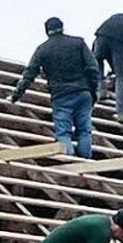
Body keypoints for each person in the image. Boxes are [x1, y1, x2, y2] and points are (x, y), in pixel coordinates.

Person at [7, 17, 100, 158]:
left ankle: (68, 159)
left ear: (47, 31)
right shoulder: (78, 43)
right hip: (83, 92)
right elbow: (92, 68)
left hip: (61, 96)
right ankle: (86, 158)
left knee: (63, 132)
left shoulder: (43, 50)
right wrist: (92, 90)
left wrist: (16, 95)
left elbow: (29, 74)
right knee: (84, 130)